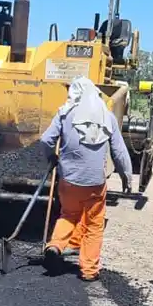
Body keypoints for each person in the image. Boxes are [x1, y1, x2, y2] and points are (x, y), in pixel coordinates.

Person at [39, 76, 133, 282]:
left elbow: (46, 140)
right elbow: (119, 151)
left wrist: (52, 158)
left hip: (69, 180)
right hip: (95, 184)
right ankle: (89, 271)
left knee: (68, 214)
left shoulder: (65, 114)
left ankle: (55, 246)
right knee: (93, 224)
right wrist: (127, 177)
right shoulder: (107, 117)